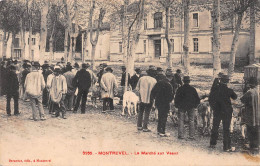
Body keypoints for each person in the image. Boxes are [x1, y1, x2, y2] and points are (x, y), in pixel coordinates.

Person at [209, 75, 237, 152]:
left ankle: (212, 143)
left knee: (215, 127)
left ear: (220, 80)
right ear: (227, 81)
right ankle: (226, 147)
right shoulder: (229, 90)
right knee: (226, 129)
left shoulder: (215, 89)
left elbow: (210, 99)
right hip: (227, 111)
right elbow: (235, 97)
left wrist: (213, 107)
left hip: (217, 111)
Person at [240, 77, 259, 155]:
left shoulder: (249, 92)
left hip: (251, 114)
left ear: (250, 84)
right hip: (258, 114)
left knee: (250, 129)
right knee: (257, 129)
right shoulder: (258, 91)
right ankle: (257, 145)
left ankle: (252, 146)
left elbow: (242, 99)